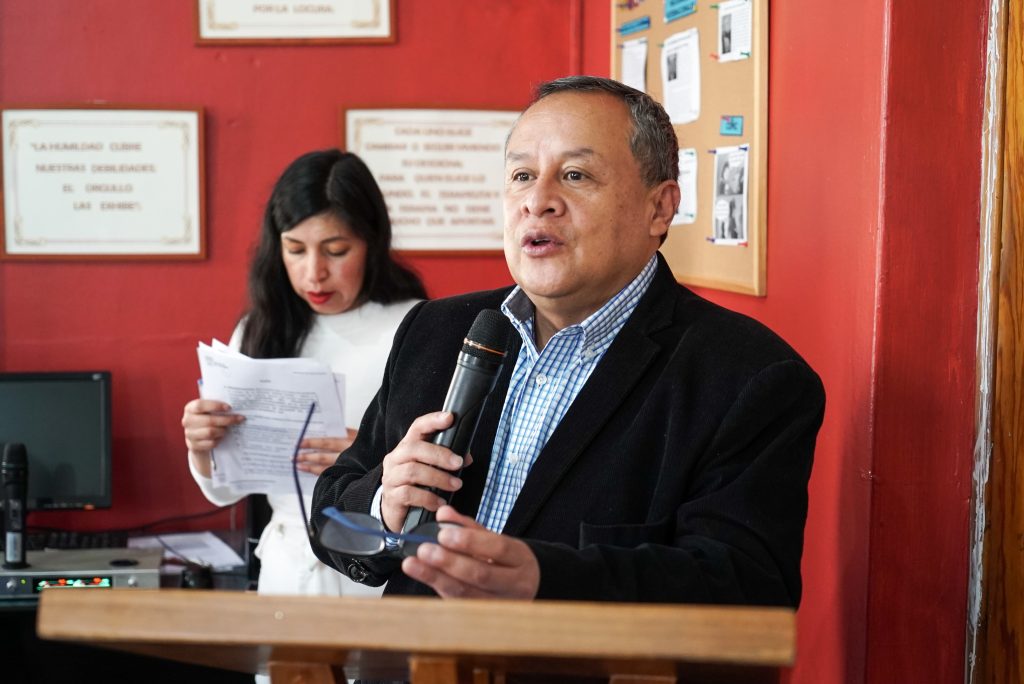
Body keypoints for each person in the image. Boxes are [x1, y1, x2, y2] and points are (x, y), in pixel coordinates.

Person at [311, 76, 825, 608]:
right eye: (521, 175)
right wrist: (381, 508)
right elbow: (329, 526)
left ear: (660, 208)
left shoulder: (748, 377)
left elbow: (747, 590)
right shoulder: (436, 330)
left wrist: (545, 580)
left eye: (575, 175)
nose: (538, 201)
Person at [182, 149, 426, 600]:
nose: (314, 273)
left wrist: (369, 457)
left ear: (372, 243)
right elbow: (224, 491)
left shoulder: (416, 326)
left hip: (378, 568)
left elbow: (450, 469)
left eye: (336, 251)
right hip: (287, 570)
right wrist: (203, 447)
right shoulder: (260, 330)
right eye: (295, 249)